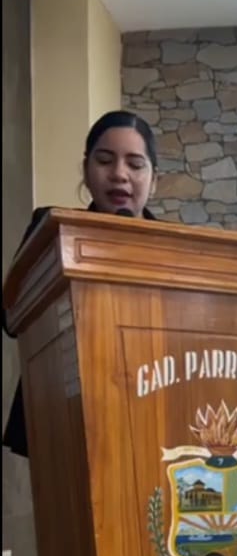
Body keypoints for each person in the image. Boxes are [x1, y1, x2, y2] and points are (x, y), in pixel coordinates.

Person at [2, 110, 159, 458]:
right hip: (63, 408)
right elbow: (11, 318)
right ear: (86, 172)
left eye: (135, 164)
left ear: (153, 181)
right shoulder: (51, 229)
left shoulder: (174, 247)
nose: (119, 174)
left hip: (150, 408)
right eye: (104, 160)